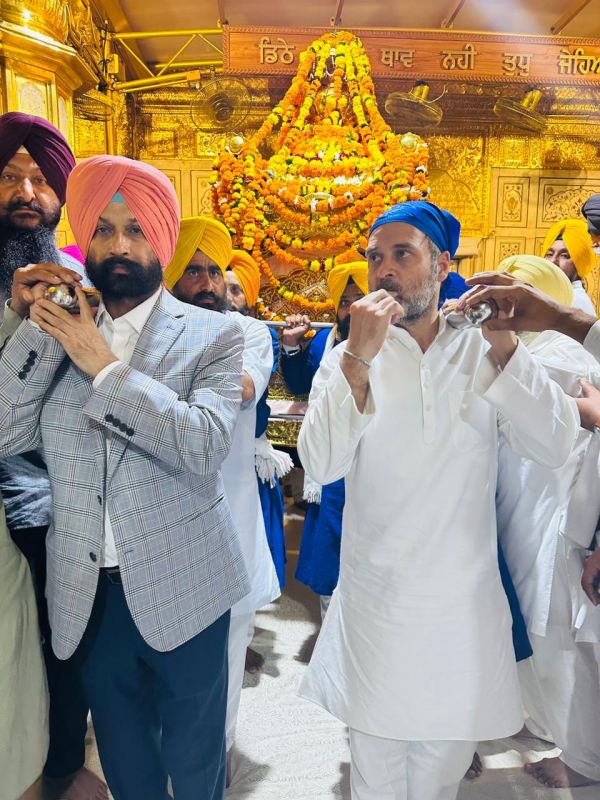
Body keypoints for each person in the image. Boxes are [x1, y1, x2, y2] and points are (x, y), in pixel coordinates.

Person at [297, 200, 579, 800]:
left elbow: (554, 443)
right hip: (379, 606)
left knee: (438, 779)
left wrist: (503, 344)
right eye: (376, 258)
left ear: (442, 262)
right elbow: (320, 463)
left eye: (403, 254)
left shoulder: (481, 346)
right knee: (376, 776)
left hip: (462, 612)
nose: (385, 271)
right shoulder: (350, 351)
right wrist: (356, 355)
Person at [0, 156, 249, 800]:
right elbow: (6, 433)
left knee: (196, 770)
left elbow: (202, 443)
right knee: (126, 766)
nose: (119, 246)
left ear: (161, 238)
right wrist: (34, 327)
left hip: (187, 586)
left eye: (136, 228)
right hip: (91, 600)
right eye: (104, 230)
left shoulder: (213, 335)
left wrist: (104, 366)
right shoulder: (57, 329)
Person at [0, 111, 104, 800]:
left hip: (57, 496)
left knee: (64, 643)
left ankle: (61, 764)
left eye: (40, 179)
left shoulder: (80, 277)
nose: (26, 191)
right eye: (10, 176)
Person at [164, 218, 280, 756]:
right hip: (159, 524)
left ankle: (219, 751)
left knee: (228, 650)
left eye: (215, 270)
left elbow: (242, 388)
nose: (207, 283)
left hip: (228, 521)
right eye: (192, 270)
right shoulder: (147, 330)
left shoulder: (249, 333)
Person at [491, 254, 600, 789]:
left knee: (556, 626)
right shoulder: (524, 350)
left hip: (557, 506)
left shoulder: (562, 353)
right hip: (521, 502)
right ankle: (548, 726)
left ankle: (579, 752)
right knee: (531, 621)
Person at [456, 276, 600, 626]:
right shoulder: (481, 351)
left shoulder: (568, 362)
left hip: (553, 528)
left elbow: (553, 444)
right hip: (500, 521)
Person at [227, 250, 292, 598]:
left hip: (249, 459)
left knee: (249, 551)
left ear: (250, 298)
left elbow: (246, 388)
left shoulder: (259, 334)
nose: (227, 297)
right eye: (223, 288)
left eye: (237, 290)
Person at [542, 218, 597, 314]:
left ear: (579, 264)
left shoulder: (575, 301)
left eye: (564, 256)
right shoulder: (553, 295)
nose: (553, 261)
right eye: (549, 254)